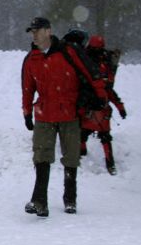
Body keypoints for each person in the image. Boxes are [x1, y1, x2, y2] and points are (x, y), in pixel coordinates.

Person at [21, 18, 107, 217]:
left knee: (71, 156)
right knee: (41, 156)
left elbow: (90, 73)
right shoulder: (31, 59)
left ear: (48, 31)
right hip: (44, 114)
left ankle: (70, 199)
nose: (34, 35)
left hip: (70, 113)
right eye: (32, 32)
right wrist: (26, 113)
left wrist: (100, 97)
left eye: (37, 31)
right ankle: (39, 201)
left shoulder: (68, 51)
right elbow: (27, 88)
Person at [80, 35, 127, 175]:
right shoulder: (104, 61)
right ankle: (109, 163)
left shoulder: (85, 60)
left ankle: (82, 153)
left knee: (83, 133)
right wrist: (120, 107)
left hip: (88, 108)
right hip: (100, 108)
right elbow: (110, 91)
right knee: (104, 137)